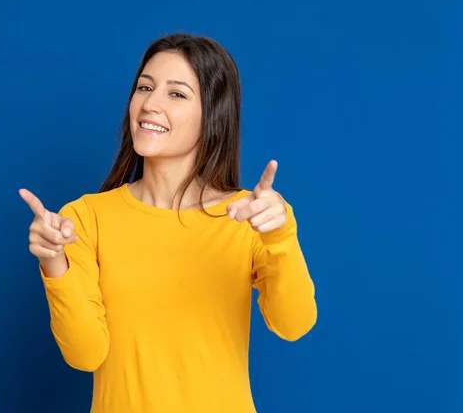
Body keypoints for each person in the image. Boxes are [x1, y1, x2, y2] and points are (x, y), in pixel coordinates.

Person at [19, 33, 317, 413]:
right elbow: (86, 354)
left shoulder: (251, 215)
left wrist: (280, 236)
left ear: (213, 114)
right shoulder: (85, 218)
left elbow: (294, 324)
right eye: (145, 87)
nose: (150, 104)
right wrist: (53, 262)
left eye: (176, 94)